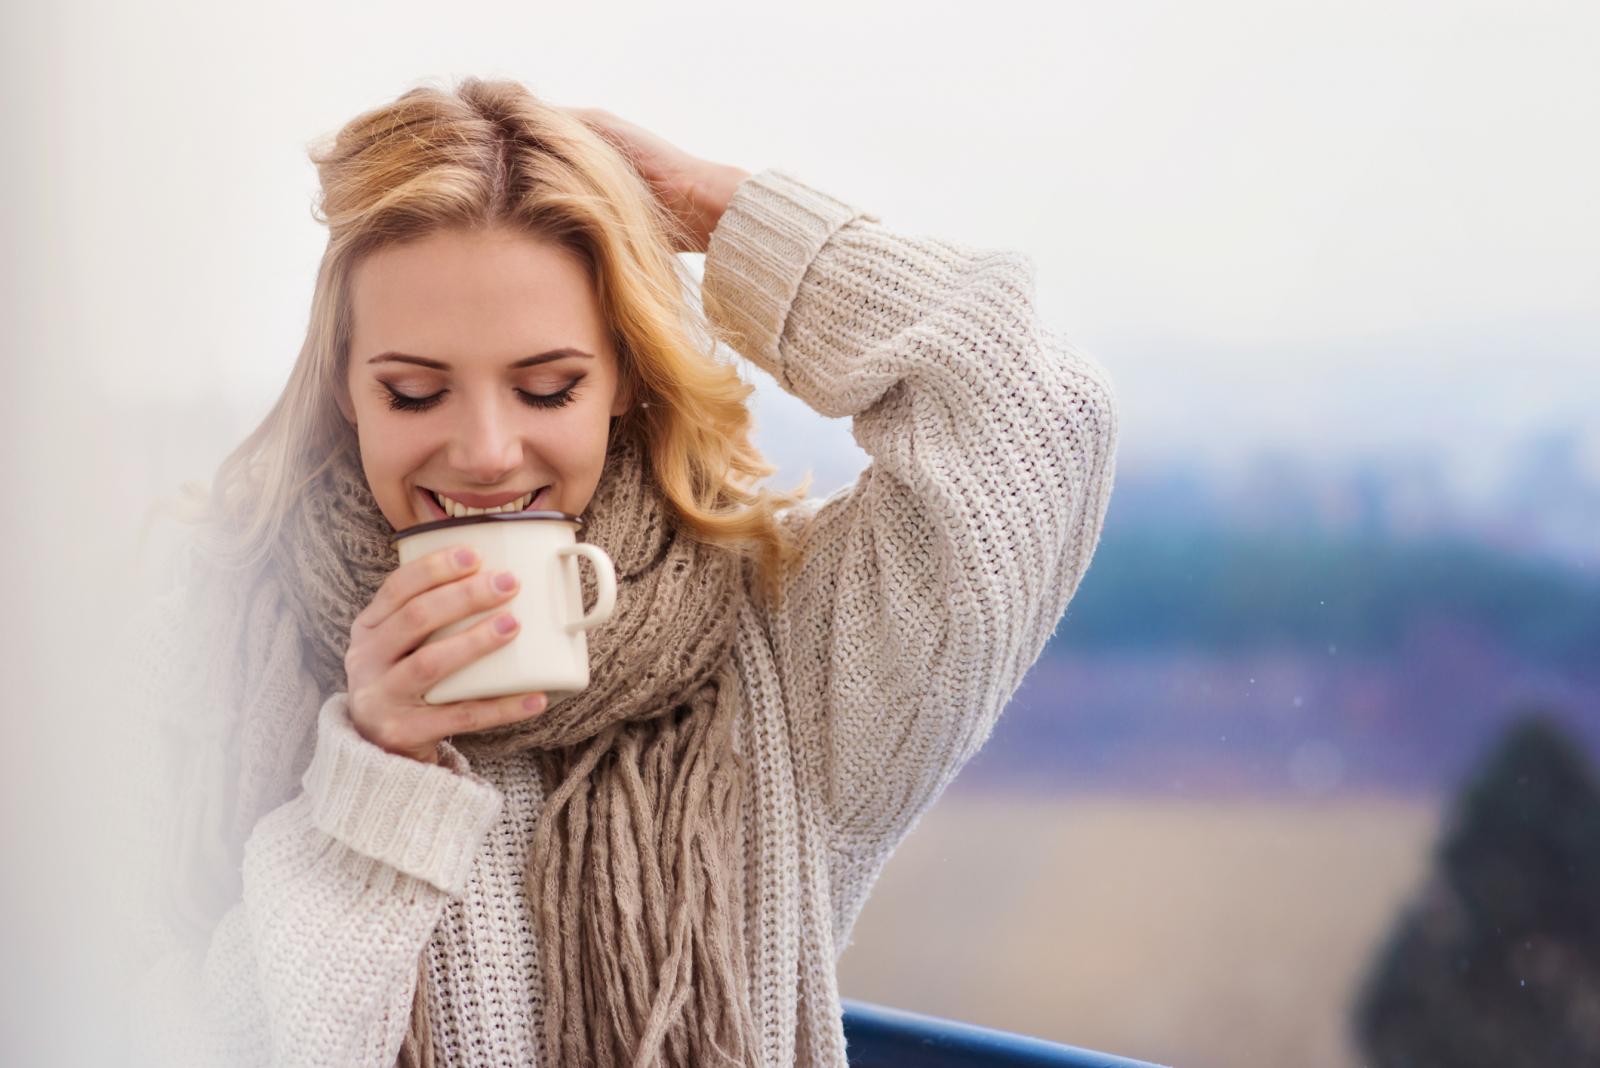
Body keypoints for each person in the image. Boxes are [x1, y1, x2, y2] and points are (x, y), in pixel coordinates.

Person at [109, 76, 1120, 1067]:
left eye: (547, 388)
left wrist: (720, 217)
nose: (487, 451)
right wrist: (374, 785)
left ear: (626, 374)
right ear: (344, 388)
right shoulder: (217, 643)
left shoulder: (784, 642)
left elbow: (1035, 414)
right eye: (416, 394)